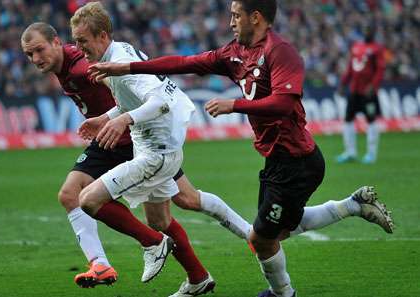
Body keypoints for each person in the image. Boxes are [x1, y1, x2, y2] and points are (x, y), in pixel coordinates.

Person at [88, 1, 394, 296]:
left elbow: (284, 103)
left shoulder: (281, 52)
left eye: (236, 15)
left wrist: (235, 105)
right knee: (278, 231)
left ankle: (283, 293)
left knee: (260, 239)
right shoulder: (235, 53)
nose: (231, 22)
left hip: (297, 162)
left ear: (256, 17)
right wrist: (126, 67)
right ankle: (353, 205)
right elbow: (185, 62)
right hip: (277, 160)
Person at [21, 19, 231, 295]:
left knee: (176, 206)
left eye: (39, 50)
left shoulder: (83, 66)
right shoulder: (66, 67)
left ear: (57, 42)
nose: (36, 59)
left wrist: (122, 118)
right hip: (109, 139)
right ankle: (103, 264)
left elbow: (135, 89)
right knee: (71, 195)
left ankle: (169, 248)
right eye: (29, 55)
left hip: (129, 141)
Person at [70, 3, 218, 296]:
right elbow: (133, 101)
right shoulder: (114, 56)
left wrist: (124, 119)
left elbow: (160, 100)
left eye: (82, 40)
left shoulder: (121, 62)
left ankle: (152, 243)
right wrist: (107, 117)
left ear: (101, 36)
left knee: (86, 200)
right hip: (157, 147)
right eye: (75, 41)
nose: (79, 47)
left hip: (157, 153)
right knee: (160, 220)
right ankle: (198, 278)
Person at [336, 27, 386, 164]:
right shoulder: (356, 47)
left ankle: (371, 154)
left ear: (374, 32)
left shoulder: (377, 49)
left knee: (371, 120)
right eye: (365, 30)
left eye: (369, 30)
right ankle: (350, 152)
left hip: (368, 92)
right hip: (354, 91)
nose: (367, 32)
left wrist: (373, 86)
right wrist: (343, 84)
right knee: (348, 119)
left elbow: (380, 70)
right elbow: (350, 69)